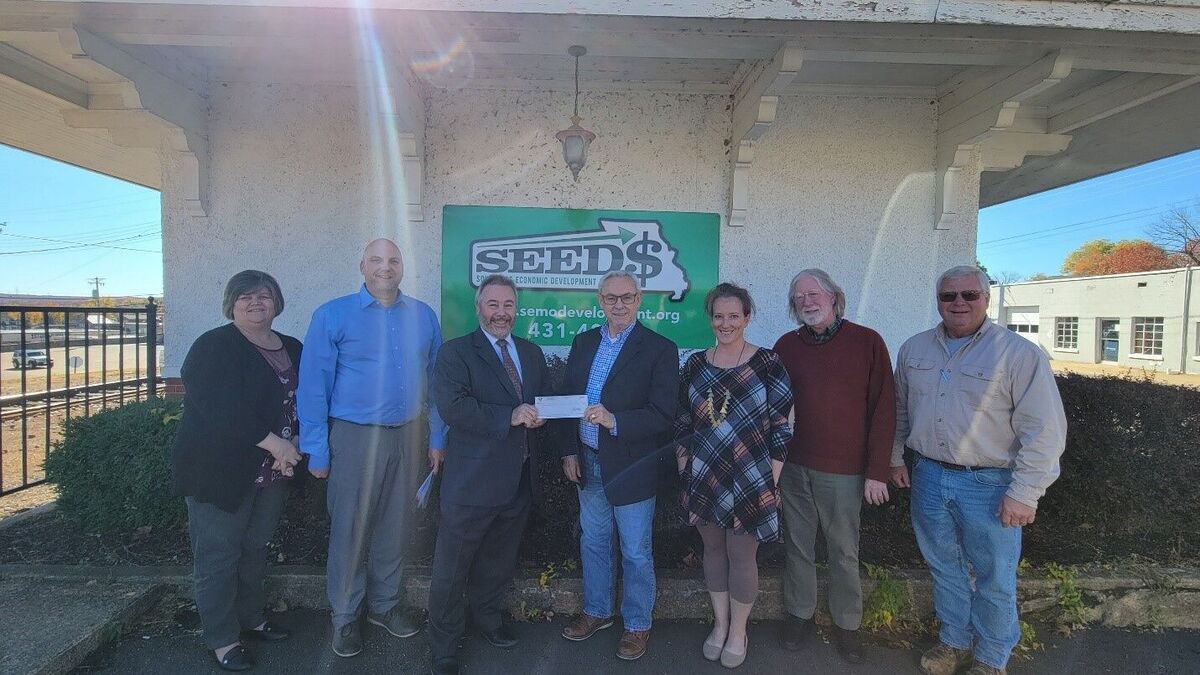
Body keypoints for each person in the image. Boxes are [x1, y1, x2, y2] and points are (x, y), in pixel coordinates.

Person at [891, 265, 1067, 675]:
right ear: (937, 300)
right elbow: (900, 409)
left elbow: (1045, 429)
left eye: (969, 295)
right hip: (929, 476)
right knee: (943, 565)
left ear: (986, 299)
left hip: (989, 483)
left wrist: (1025, 492)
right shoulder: (914, 349)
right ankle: (954, 641)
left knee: (994, 574)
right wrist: (895, 456)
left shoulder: (1018, 354)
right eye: (948, 296)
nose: (958, 303)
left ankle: (992, 656)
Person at [297, 238, 447, 658]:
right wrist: (317, 449)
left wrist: (438, 437)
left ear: (403, 267)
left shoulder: (423, 315)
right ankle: (345, 617)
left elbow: (436, 383)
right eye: (377, 260)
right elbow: (313, 385)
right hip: (355, 436)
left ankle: (385, 606)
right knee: (350, 529)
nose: (386, 267)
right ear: (361, 265)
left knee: (396, 527)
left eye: (394, 260)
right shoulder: (332, 315)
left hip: (408, 435)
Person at [170, 270, 303, 672]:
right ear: (231, 304)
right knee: (218, 554)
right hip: (219, 470)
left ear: (277, 302)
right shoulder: (213, 346)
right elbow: (220, 408)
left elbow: (306, 399)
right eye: (245, 297)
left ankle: (252, 618)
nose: (256, 303)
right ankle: (222, 639)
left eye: (264, 296)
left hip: (275, 469)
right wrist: (276, 444)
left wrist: (294, 446)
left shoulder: (293, 347)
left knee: (255, 546)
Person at [771, 268, 897, 663]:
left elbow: (884, 409)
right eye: (798, 297)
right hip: (793, 466)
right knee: (797, 546)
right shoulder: (785, 346)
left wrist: (878, 470)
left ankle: (847, 624)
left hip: (844, 470)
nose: (806, 302)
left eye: (813, 293)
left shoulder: (867, 342)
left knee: (843, 550)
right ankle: (800, 614)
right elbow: (772, 409)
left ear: (833, 297)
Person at [426, 275, 549, 675]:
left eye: (508, 305)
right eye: (493, 304)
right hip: (472, 483)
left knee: (498, 561)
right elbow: (454, 407)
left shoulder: (530, 353)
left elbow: (543, 404)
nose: (501, 313)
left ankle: (488, 621)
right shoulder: (456, 353)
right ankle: (444, 646)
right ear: (479, 308)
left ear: (517, 309)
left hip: (519, 479)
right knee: (452, 566)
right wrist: (510, 415)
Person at [557, 270, 679, 662]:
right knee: (592, 541)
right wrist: (568, 450)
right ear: (600, 300)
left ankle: (638, 622)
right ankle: (597, 611)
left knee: (636, 550)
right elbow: (568, 401)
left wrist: (614, 421)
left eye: (627, 297)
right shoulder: (584, 341)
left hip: (632, 465)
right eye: (611, 298)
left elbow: (663, 414)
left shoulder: (659, 348)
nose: (619, 304)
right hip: (588, 461)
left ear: (639, 299)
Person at [674, 283, 792, 668]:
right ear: (710, 318)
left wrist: (771, 478)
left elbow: (782, 424)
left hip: (751, 477)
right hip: (705, 474)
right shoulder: (694, 364)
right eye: (719, 316)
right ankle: (720, 625)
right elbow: (682, 420)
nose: (726, 323)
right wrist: (684, 464)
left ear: (747, 318)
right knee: (712, 550)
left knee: (742, 555)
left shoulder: (768, 362)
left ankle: (739, 631)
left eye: (734, 316)